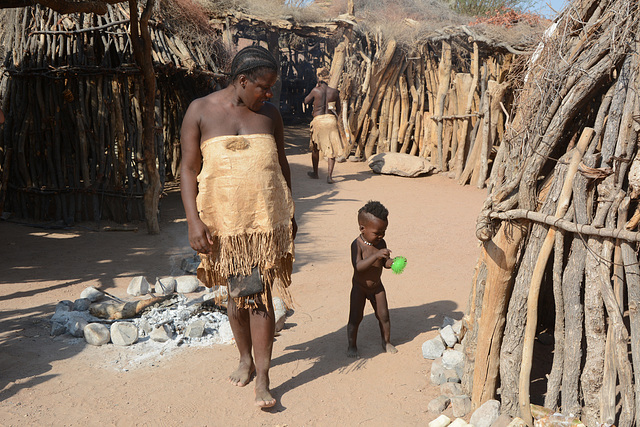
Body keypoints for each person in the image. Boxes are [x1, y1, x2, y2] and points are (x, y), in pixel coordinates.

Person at [180, 45, 296, 409]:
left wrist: (290, 213)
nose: (269, 93)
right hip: (223, 227)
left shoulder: (270, 116)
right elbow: (187, 168)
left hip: (263, 225)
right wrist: (193, 221)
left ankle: (263, 378)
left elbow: (282, 166)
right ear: (242, 80)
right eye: (263, 86)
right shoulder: (201, 111)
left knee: (259, 296)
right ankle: (245, 358)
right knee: (235, 297)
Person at [348, 200, 398, 357]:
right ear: (363, 229)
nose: (381, 235)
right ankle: (352, 345)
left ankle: (387, 342)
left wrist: (393, 263)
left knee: (384, 316)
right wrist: (376, 254)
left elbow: (385, 263)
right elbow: (358, 267)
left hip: (377, 287)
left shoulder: (381, 242)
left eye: (384, 231)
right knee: (355, 317)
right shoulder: (357, 245)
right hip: (359, 288)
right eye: (377, 232)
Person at [304, 67, 343, 184]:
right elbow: (339, 109)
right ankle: (330, 177)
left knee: (315, 147)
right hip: (331, 120)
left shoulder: (316, 91)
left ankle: (315, 173)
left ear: (318, 78)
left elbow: (306, 101)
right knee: (331, 149)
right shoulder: (334, 92)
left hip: (318, 121)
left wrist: (314, 90)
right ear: (328, 78)